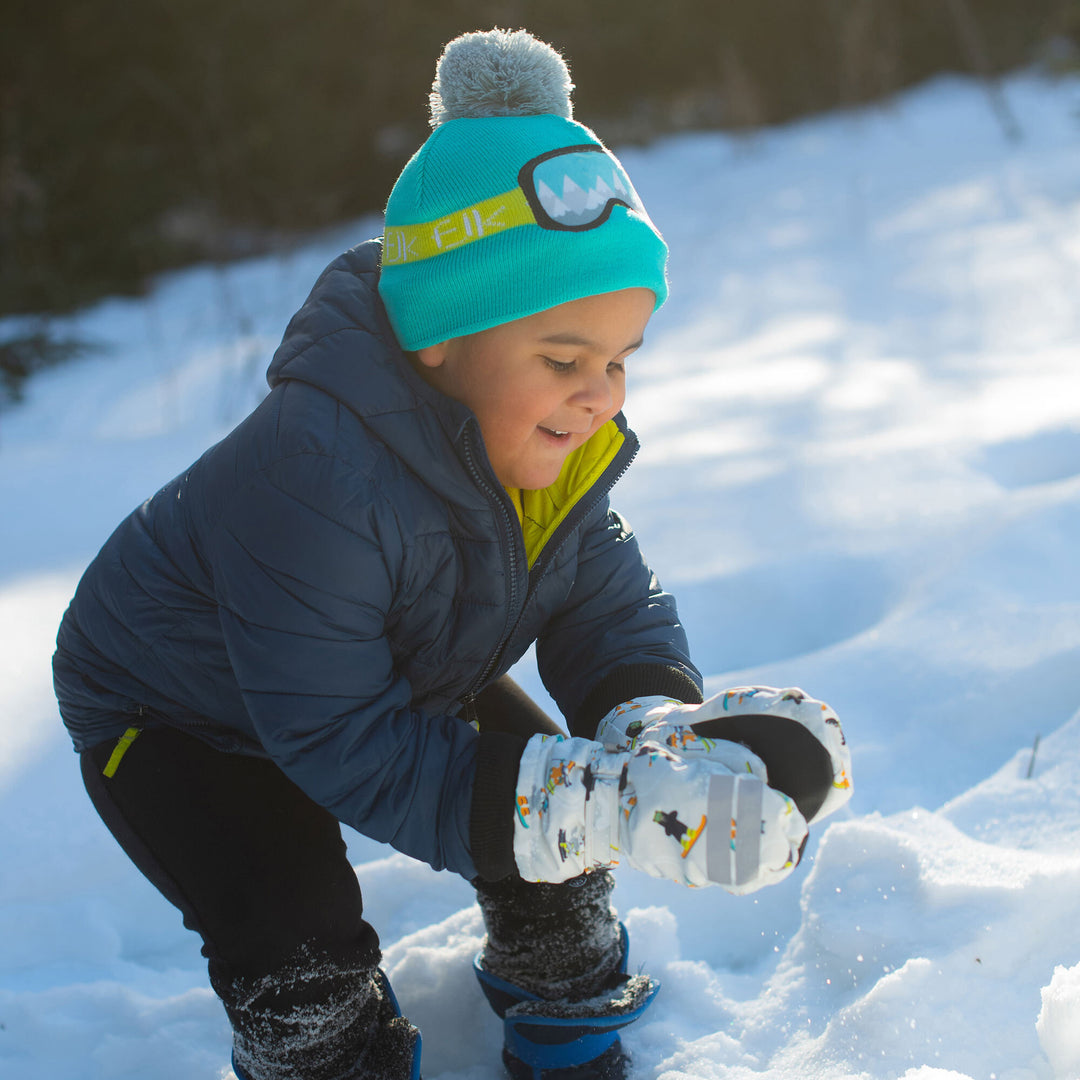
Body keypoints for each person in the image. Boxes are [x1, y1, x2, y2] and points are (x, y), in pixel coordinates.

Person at [53, 28, 852, 1080]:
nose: (601, 395)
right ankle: (332, 1057)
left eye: (618, 360)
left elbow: (604, 604)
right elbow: (343, 736)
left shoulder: (550, 462)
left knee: (556, 856)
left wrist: (652, 731)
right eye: (564, 357)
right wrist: (583, 799)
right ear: (442, 337)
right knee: (297, 932)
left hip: (393, 665)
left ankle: (565, 1013)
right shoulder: (314, 477)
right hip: (180, 715)